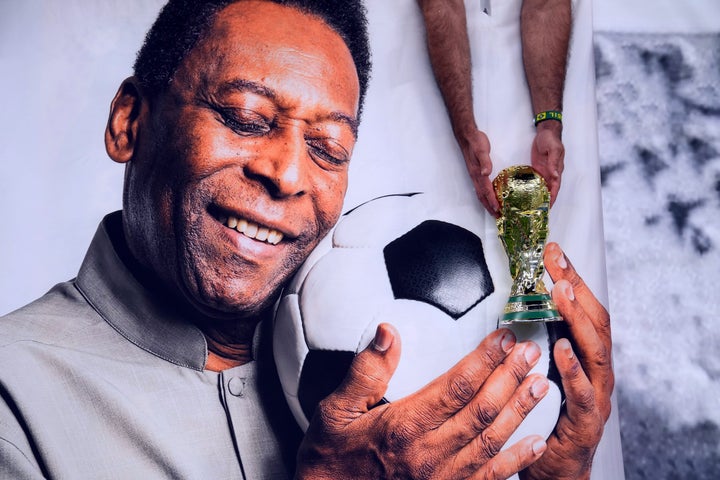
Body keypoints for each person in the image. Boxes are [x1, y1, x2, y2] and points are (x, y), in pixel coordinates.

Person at [0, 1, 612, 479]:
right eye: (245, 118)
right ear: (129, 123)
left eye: (327, 149)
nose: (289, 175)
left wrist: (552, 474)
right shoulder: (15, 401)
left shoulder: (398, 370)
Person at [417, 0, 570, 217]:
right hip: (433, 69)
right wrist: (465, 130)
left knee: (559, 233)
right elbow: (442, 5)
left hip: (541, 76)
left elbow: (547, 4)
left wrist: (550, 124)